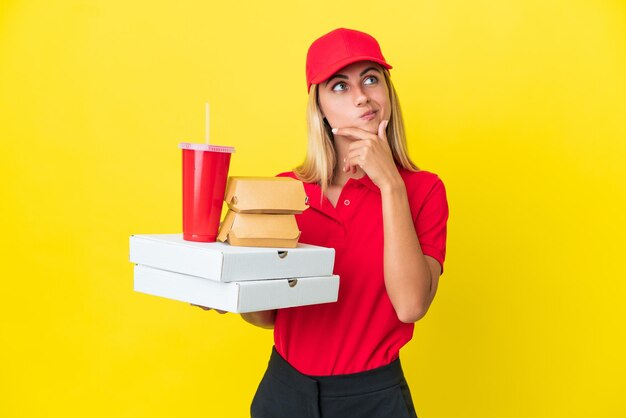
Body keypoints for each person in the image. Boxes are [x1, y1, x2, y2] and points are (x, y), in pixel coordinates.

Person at [200, 27, 449, 418]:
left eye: (371, 78)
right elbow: (268, 317)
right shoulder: (287, 191)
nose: (362, 96)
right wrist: (228, 290)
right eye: (339, 86)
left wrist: (390, 185)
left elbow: (411, 305)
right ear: (318, 106)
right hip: (284, 391)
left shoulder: (423, 191)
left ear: (387, 91)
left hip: (373, 398)